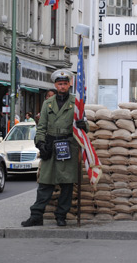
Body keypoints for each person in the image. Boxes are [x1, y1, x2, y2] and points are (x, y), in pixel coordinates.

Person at [21, 69, 88, 227]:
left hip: (68, 145)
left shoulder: (76, 103)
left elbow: (86, 126)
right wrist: (40, 143)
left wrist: (83, 125)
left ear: (69, 84)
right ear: (55, 85)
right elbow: (41, 126)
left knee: (66, 184)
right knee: (45, 182)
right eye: (60, 84)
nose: (62, 86)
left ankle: (61, 215)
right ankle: (36, 215)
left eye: (65, 84)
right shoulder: (47, 103)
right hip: (51, 145)